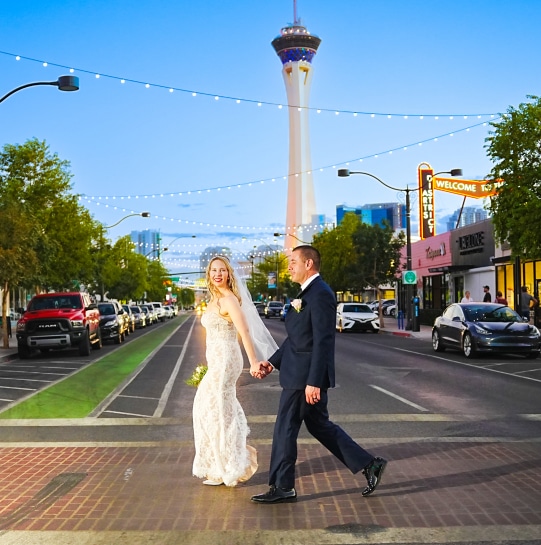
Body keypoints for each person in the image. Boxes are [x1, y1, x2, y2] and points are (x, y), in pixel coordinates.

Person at [251, 246, 387, 504]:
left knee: (284, 429)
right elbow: (296, 340)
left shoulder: (321, 294)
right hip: (297, 373)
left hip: (303, 379)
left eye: (293, 262)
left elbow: (324, 341)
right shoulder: (306, 294)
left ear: (309, 263)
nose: (289, 267)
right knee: (320, 426)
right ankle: (370, 465)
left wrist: (314, 381)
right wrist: (271, 363)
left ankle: (283, 487)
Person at [192, 255, 277, 487]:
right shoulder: (213, 299)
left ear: (229, 274)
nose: (218, 274)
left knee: (217, 409)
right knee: (212, 409)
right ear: (208, 275)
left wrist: (253, 361)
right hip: (216, 359)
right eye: (213, 271)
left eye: (222, 270)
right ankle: (224, 464)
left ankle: (229, 466)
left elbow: (245, 331)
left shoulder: (229, 299)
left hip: (227, 359)